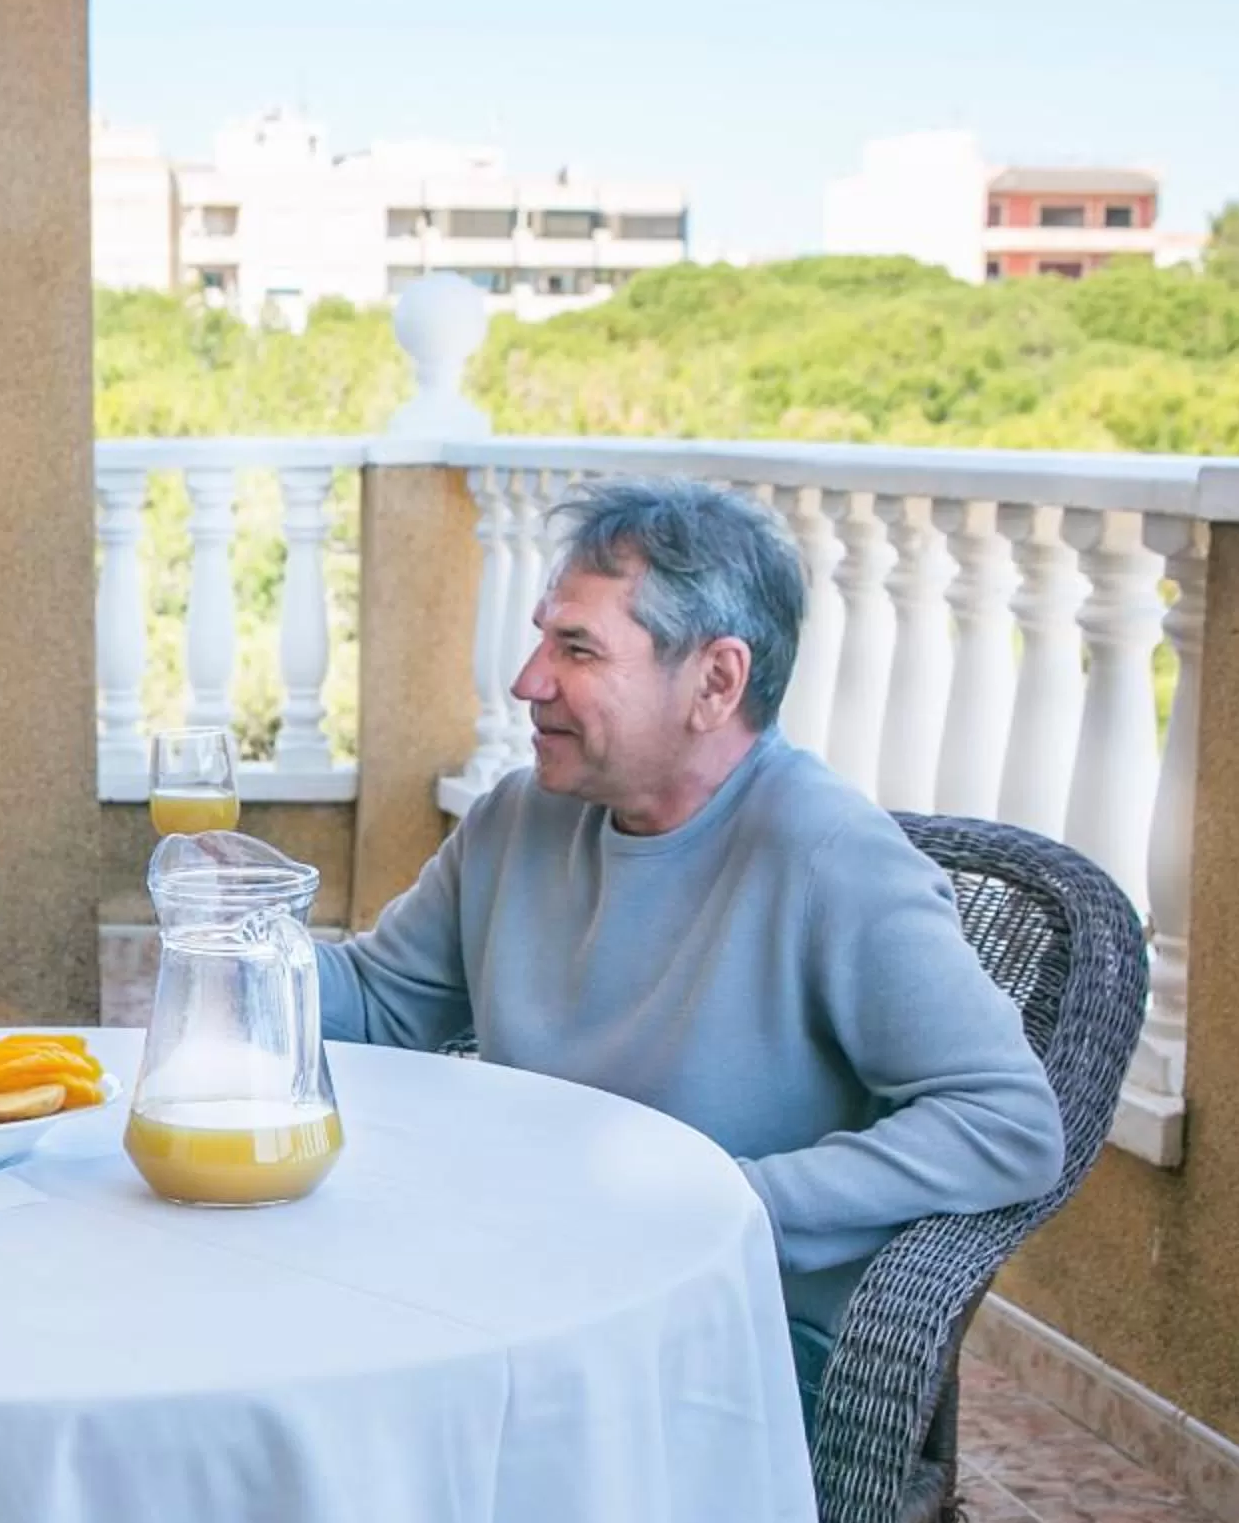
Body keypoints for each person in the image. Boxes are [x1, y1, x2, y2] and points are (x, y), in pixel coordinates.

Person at [316, 477, 1062, 1423]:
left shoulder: (832, 858)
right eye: (543, 638)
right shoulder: (520, 817)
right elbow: (381, 1001)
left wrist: (726, 1202)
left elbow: (1006, 1123)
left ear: (715, 682)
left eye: (577, 649)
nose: (528, 681)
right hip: (527, 1284)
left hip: (730, 1333)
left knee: (399, 1414)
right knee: (318, 1348)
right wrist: (235, 938)